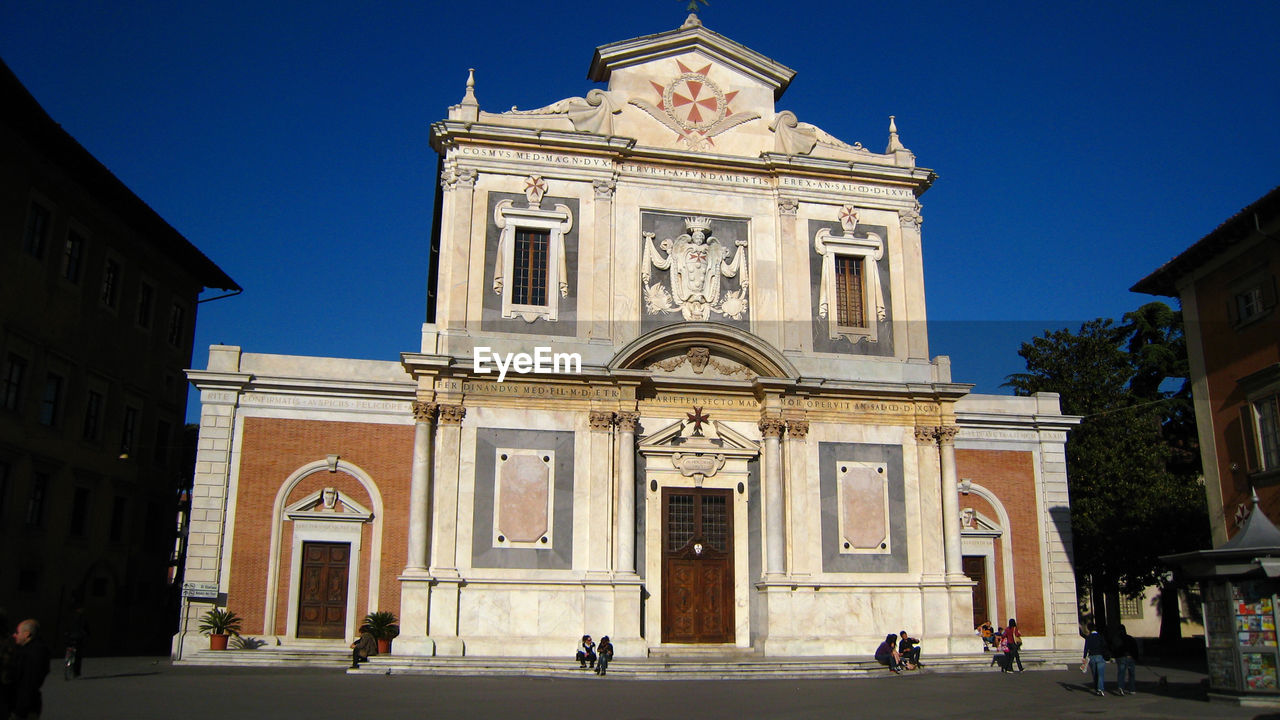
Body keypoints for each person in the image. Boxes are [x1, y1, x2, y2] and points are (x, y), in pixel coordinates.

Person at [9, 619, 50, 719]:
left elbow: (28, 683)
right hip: (29, 704)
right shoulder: (34, 650)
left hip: (24, 707)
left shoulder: (31, 654)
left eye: (17, 632)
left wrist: (18, 710)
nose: (14, 635)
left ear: (27, 634)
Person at [1112, 624, 1139, 695]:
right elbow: (1135, 648)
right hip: (1131, 657)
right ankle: (1132, 689)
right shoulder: (1130, 638)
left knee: (1121, 673)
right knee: (1131, 674)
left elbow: (1115, 649)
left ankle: (1121, 687)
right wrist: (1136, 657)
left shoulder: (1116, 639)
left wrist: (1115, 657)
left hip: (1121, 657)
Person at [1082, 622, 1108, 696]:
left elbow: (1086, 648)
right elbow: (1104, 646)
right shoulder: (1100, 636)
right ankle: (1100, 689)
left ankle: (1097, 689)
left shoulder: (1088, 637)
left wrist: (1084, 657)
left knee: (1095, 674)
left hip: (1092, 657)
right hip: (1100, 656)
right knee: (1100, 674)